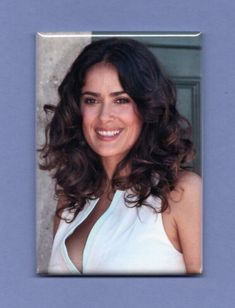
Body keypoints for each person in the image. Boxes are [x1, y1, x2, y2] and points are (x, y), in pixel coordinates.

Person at [40, 38, 202, 275]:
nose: (105, 116)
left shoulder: (183, 193)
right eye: (92, 100)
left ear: (147, 107)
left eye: (121, 100)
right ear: (77, 109)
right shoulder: (70, 199)